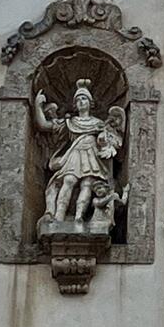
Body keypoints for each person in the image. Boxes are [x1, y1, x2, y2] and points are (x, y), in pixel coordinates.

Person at [34, 80, 125, 226]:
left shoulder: (98, 123)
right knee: (68, 180)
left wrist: (105, 141)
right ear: (75, 104)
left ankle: (79, 218)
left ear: (90, 103)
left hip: (92, 155)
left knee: (87, 184)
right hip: (74, 154)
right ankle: (58, 217)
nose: (81, 102)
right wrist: (38, 106)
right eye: (78, 99)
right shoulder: (70, 122)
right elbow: (44, 125)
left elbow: (111, 140)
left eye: (84, 99)